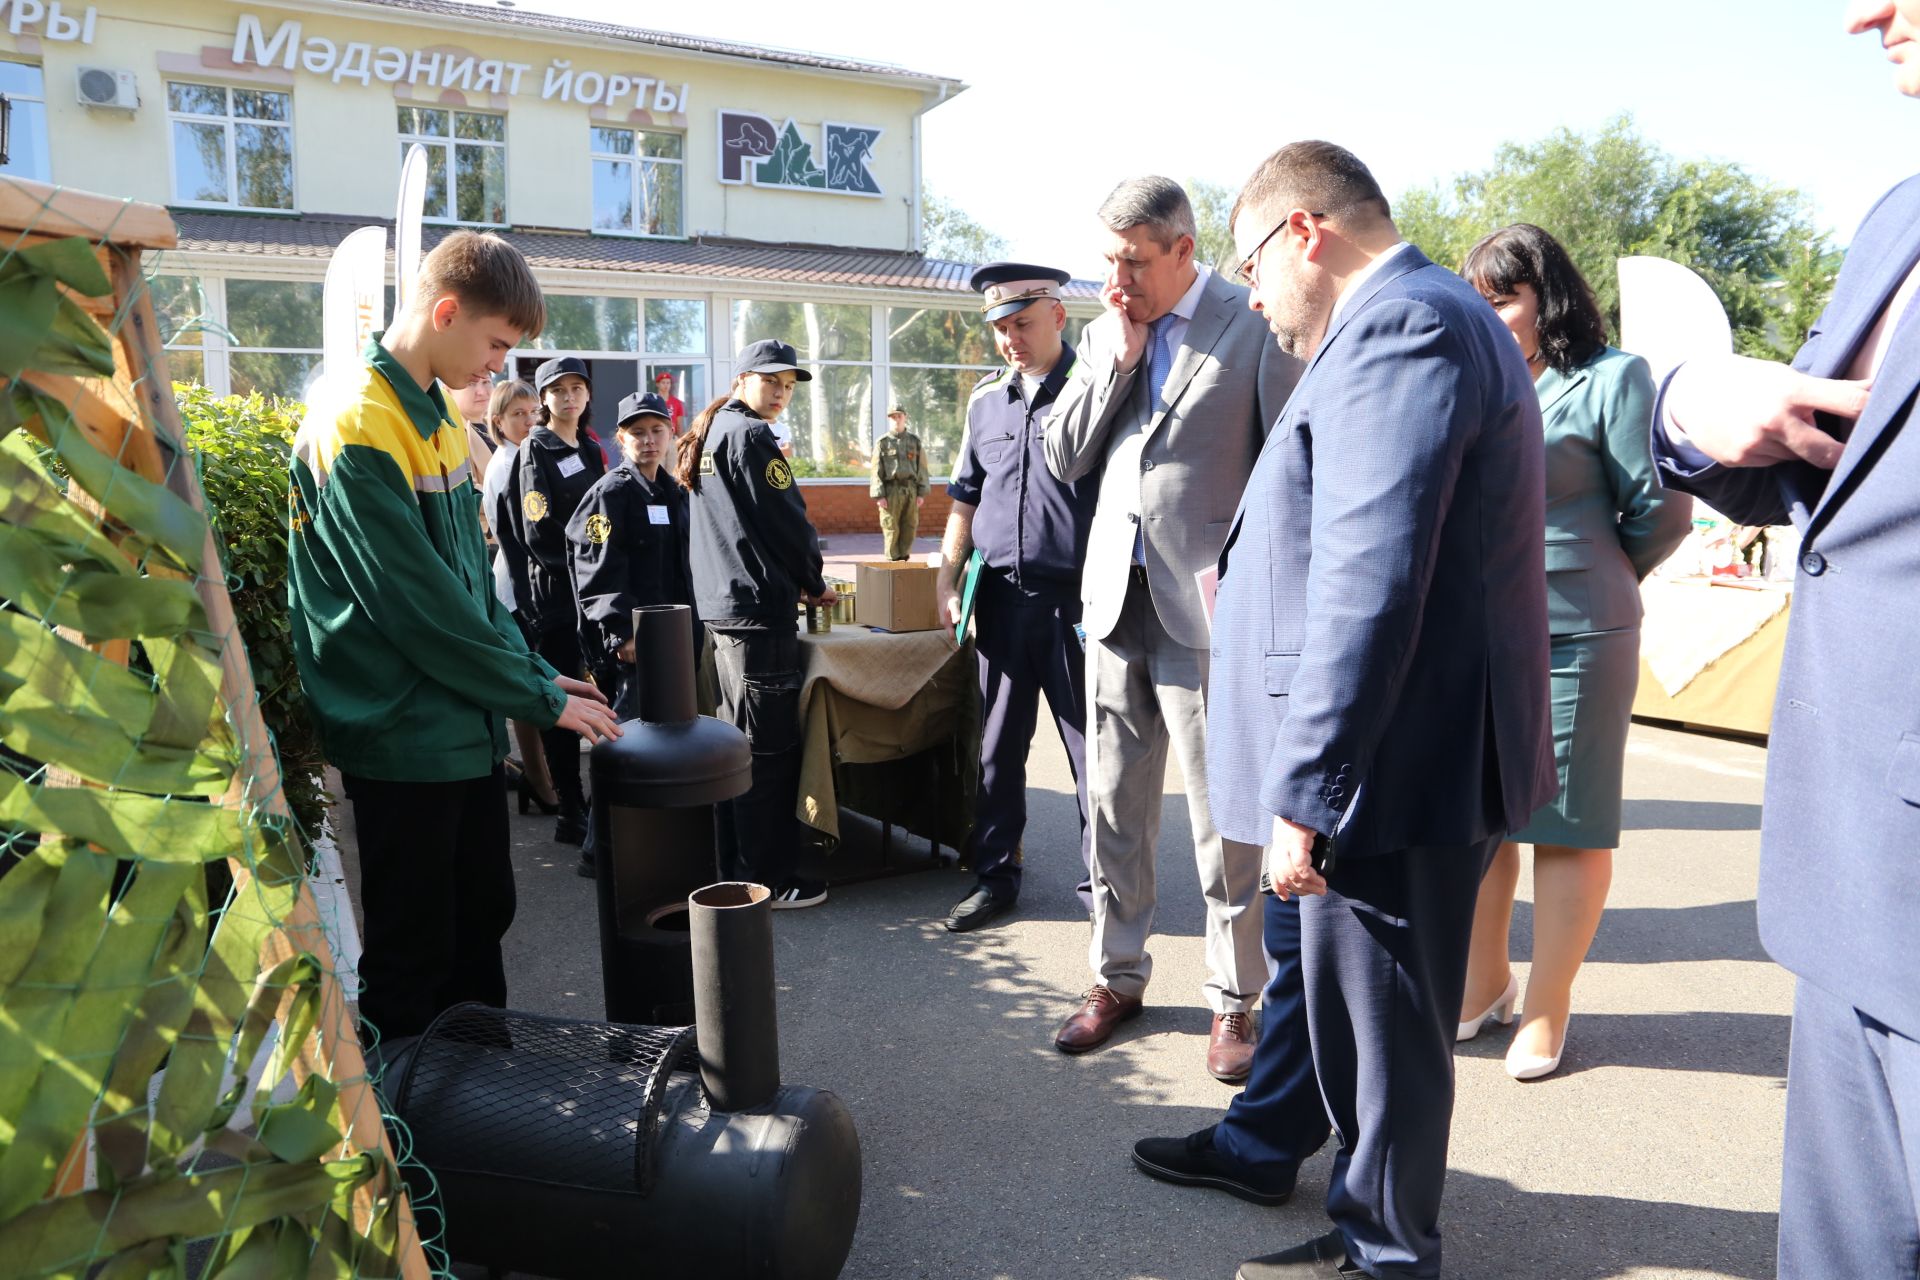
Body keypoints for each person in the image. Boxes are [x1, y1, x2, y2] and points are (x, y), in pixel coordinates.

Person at [1135, 142, 1555, 1280]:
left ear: (1304, 231)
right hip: (1393, 753)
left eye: (1251, 264)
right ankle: (1361, 1216)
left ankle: (1384, 1255)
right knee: (1360, 1027)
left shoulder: (1401, 324)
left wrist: (1308, 792)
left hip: (1389, 765)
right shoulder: (1414, 318)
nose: (1253, 294)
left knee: (1384, 1043)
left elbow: (1376, 573)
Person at [1650, 5, 1920, 1272]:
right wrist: (1692, 404)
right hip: (1848, 875)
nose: (1864, 12)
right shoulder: (1895, 216)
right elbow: (1813, 479)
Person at [288, 230, 620, 1043]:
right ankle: (407, 1149)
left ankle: (481, 1108)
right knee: (416, 950)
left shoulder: (433, 413)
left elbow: (470, 584)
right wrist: (533, 694)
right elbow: (419, 607)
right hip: (404, 731)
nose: (498, 369)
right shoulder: (356, 419)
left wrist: (534, 668)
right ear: (444, 311)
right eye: (496, 344)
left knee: (481, 916)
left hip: (457, 724)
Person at [1043, 176, 1302, 1083]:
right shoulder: (1103, 330)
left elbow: (1286, 462)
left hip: (1211, 616)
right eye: (1108, 259)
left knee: (1224, 821)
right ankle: (1115, 978)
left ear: (1184, 250)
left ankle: (1236, 1001)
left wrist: (1267, 595)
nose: (1117, 279)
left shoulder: (1252, 319)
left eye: (1134, 261)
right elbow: (1063, 454)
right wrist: (1115, 357)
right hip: (1114, 604)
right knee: (1111, 806)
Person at [1455, 224, 1693, 1080]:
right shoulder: (1475, 378)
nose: (1489, 315)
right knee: (1483, 820)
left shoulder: (1613, 378)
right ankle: (1484, 986)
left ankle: (1547, 1008)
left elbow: (1661, 511)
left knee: (1563, 823)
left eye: (1504, 297)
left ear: (1546, 297)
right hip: (1480, 634)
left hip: (1579, 629)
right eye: (1477, 299)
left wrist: (1598, 573)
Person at [933, 263, 1098, 932]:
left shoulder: (1094, 393)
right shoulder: (985, 403)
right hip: (998, 601)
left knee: (1094, 758)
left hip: (1074, 609)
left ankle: (1103, 895)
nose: (1011, 340)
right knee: (998, 753)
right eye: (1000, 328)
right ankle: (995, 877)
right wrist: (946, 577)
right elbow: (964, 500)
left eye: (1022, 324)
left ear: (1058, 315)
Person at [678, 339, 836, 908]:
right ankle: (766, 878)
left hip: (726, 608)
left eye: (789, 386)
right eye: (772, 382)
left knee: (734, 741)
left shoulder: (714, 427)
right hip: (753, 612)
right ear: (742, 377)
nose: (781, 394)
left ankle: (734, 866)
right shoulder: (749, 435)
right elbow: (787, 521)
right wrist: (815, 580)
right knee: (765, 751)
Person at [566, 391, 696, 878]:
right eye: (637, 432)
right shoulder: (610, 493)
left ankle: (653, 843)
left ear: (669, 435)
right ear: (620, 438)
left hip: (676, 640)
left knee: (667, 746)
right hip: (634, 648)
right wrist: (620, 633)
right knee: (625, 745)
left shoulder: (673, 492)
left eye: (656, 430)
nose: (648, 440)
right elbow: (595, 568)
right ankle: (599, 851)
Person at [499, 355, 607, 847]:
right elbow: (537, 530)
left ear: (587, 395)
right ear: (543, 399)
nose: (568, 397)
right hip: (555, 595)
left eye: (576, 388)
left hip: (591, 590)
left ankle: (596, 798)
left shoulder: (588, 447)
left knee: (596, 695)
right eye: (557, 389)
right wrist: (589, 559)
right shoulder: (534, 450)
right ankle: (570, 808)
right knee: (564, 702)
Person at [480, 378, 560, 818]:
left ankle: (541, 775)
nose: (529, 421)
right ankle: (539, 778)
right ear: (498, 422)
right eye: (518, 415)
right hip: (517, 588)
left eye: (534, 413)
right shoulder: (508, 464)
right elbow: (515, 539)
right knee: (528, 686)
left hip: (527, 585)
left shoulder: (528, 455)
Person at [870, 406, 930, 561]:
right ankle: (892, 561)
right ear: (889, 419)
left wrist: (921, 492)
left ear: (905, 417)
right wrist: (879, 495)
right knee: (891, 527)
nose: (896, 420)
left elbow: (922, 467)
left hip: (910, 490)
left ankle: (904, 558)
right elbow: (876, 470)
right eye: (893, 417)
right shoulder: (883, 443)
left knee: (910, 526)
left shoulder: (914, 442)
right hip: (891, 491)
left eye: (899, 416)